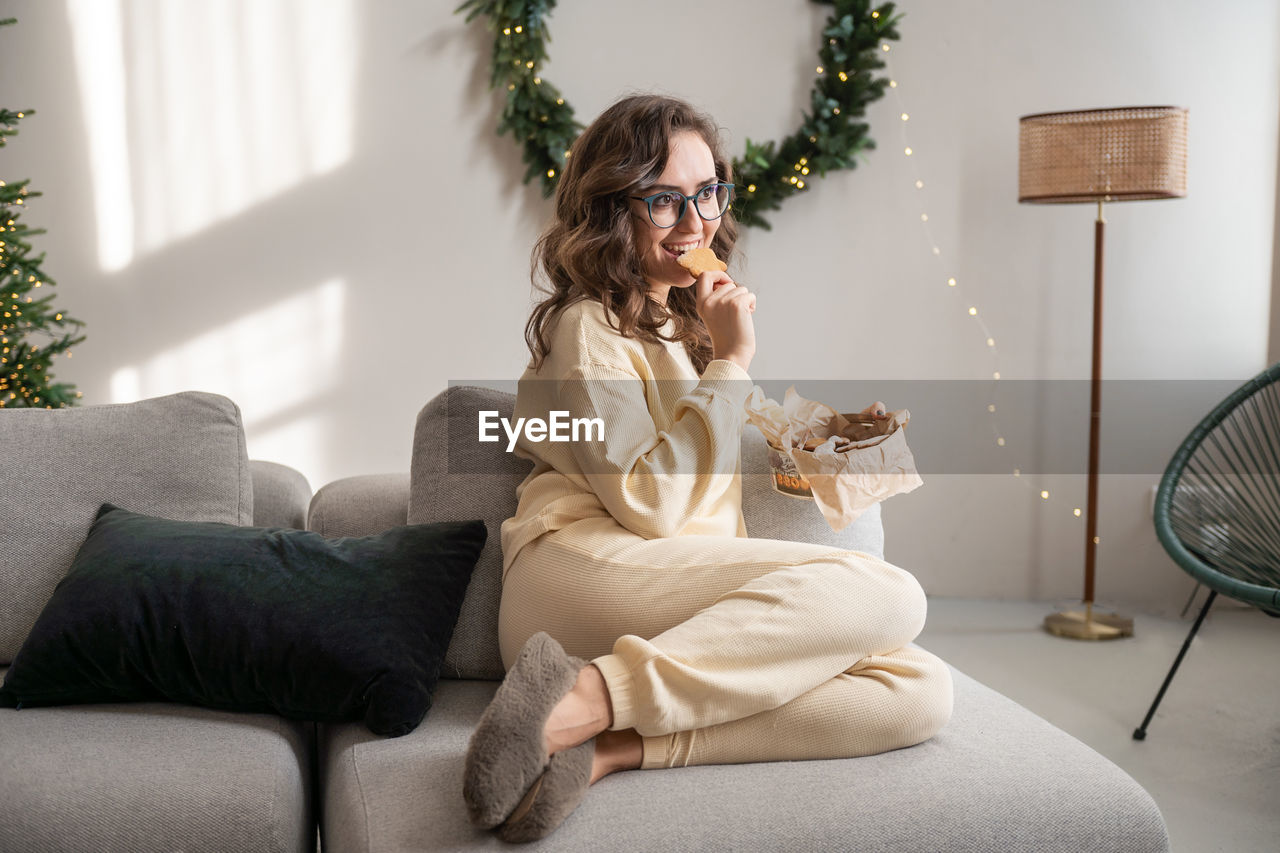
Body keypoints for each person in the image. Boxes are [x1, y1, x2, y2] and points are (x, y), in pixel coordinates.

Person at [462, 93, 953, 843]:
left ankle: (614, 745)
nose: (697, 224)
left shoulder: (678, 331)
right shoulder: (586, 325)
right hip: (577, 568)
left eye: (708, 193)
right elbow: (653, 504)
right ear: (609, 209)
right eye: (664, 200)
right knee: (890, 593)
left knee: (919, 688)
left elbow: (720, 469)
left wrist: (830, 437)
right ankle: (584, 690)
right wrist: (732, 360)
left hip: (662, 582)